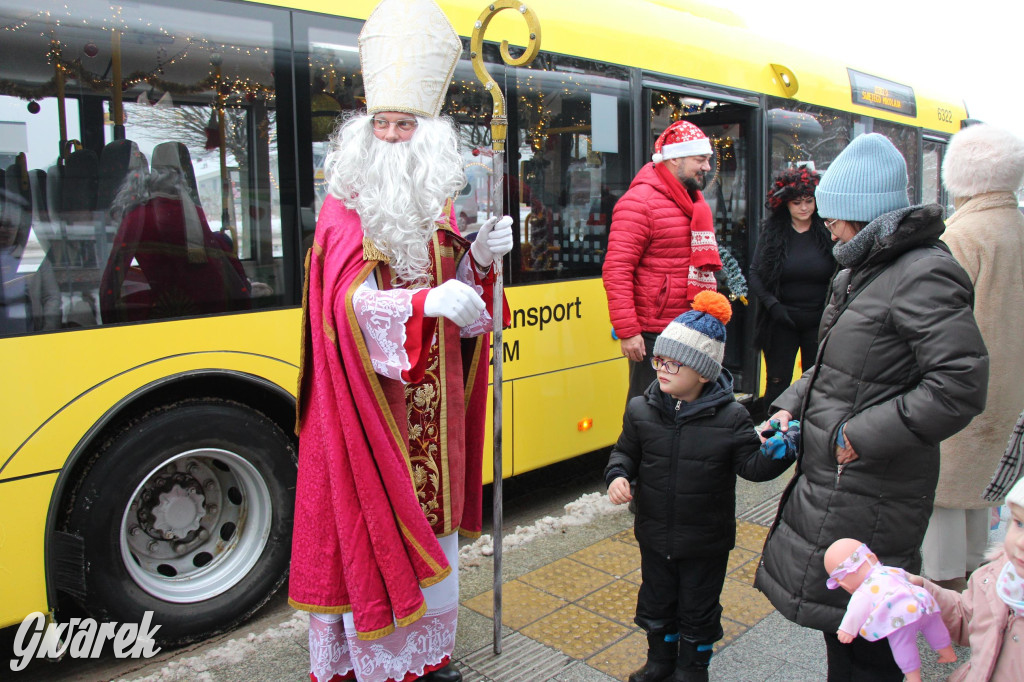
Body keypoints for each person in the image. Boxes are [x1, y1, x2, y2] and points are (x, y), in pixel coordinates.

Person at [287, 2, 512, 681]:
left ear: (426, 134)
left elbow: (460, 301)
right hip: (369, 413)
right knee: (371, 529)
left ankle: (429, 654)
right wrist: (420, 303)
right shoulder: (343, 206)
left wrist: (478, 259)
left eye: (403, 124)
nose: (389, 135)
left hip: (430, 412)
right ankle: (376, 663)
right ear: (365, 129)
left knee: (432, 529)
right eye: (382, 123)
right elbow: (341, 304)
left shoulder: (432, 203)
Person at [753, 133, 989, 681]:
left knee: (872, 640)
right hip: (846, 482)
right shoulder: (863, 269)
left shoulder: (922, 272)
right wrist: (789, 404)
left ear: (863, 216)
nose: (828, 227)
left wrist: (856, 435)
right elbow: (831, 369)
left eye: (835, 216)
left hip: (874, 484)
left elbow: (960, 385)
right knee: (848, 628)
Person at [605, 291, 797, 682]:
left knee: (699, 608)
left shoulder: (731, 418)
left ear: (703, 372)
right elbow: (624, 453)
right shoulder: (641, 409)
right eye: (660, 359)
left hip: (706, 541)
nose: (661, 369)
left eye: (674, 364)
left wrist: (785, 447)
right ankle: (659, 660)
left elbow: (752, 466)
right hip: (655, 534)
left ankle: (692, 668)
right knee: (657, 601)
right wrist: (619, 477)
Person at [921, 124, 1024, 590]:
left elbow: (936, 321)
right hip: (1009, 386)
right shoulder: (1016, 226)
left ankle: (946, 590)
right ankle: (980, 578)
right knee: (983, 488)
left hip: (961, 383)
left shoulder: (961, 236)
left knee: (943, 491)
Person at [603, 120, 722, 404]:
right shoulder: (640, 202)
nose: (707, 167)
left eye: (707, 159)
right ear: (675, 158)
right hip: (654, 333)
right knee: (649, 412)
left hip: (688, 324)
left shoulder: (691, 199)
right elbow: (617, 270)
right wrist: (629, 332)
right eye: (700, 159)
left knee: (683, 411)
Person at [911, 474, 1024, 681]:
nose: (1021, 543)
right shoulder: (997, 576)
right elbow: (968, 617)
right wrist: (926, 593)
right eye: (1020, 524)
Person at [748, 167, 834, 412]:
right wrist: (773, 306)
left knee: (817, 383)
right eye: (797, 203)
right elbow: (755, 273)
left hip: (819, 321)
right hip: (780, 321)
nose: (804, 208)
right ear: (785, 204)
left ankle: (808, 436)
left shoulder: (829, 231)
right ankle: (773, 436)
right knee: (777, 382)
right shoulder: (773, 232)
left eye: (809, 201)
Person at [823, 538, 956, 682]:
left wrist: (846, 631)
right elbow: (909, 578)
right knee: (934, 627)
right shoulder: (891, 569)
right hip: (923, 601)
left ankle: (914, 678)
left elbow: (854, 613)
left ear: (844, 583)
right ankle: (947, 652)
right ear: (873, 557)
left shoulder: (863, 592)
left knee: (903, 645)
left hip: (900, 618)